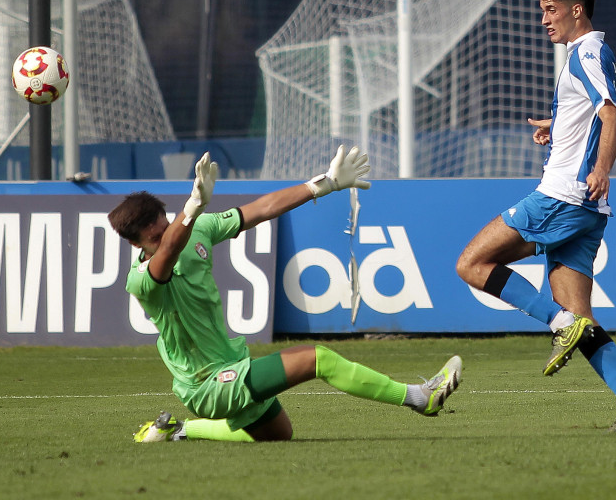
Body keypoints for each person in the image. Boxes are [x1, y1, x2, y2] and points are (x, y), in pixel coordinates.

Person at [108, 146, 462, 442]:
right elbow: (168, 250)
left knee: (278, 434)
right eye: (151, 238)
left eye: (162, 226)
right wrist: (191, 208)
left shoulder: (197, 227)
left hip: (230, 366)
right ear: (134, 243)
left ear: (165, 216)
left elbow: (262, 209)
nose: (162, 237)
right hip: (206, 384)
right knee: (317, 358)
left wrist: (324, 184)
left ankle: (178, 431)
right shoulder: (141, 280)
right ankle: (420, 398)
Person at [455, 0, 616, 433]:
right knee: (582, 321)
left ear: (576, 10)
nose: (543, 19)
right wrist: (561, 122)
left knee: (470, 264)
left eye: (551, 10)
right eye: (542, 10)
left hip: (563, 196)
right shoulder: (591, 55)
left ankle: (556, 321)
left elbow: (610, 116)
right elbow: (610, 118)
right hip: (587, 210)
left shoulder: (586, 52)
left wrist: (602, 168)